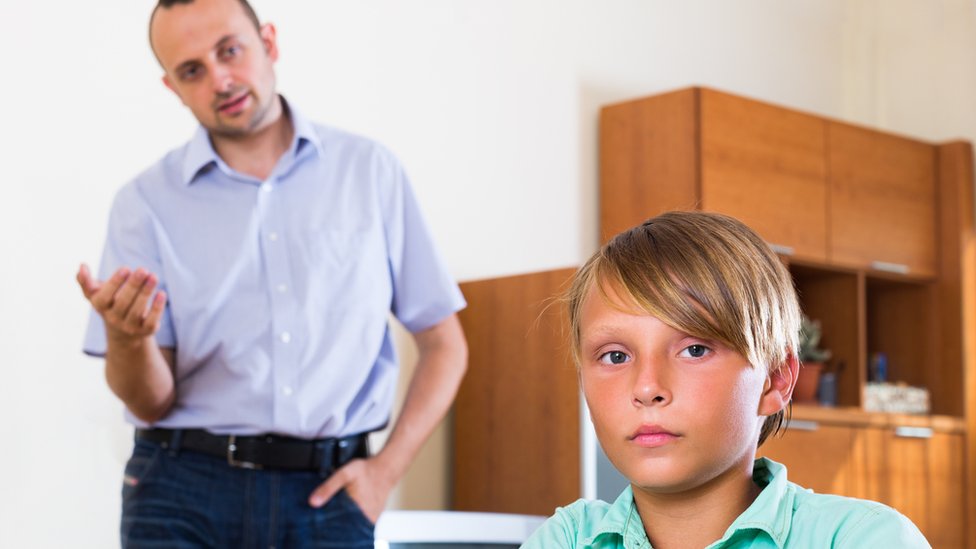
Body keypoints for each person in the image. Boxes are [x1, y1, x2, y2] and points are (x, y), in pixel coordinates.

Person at [76, 0, 468, 547]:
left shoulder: (369, 172)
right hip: (180, 493)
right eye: (192, 70)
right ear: (172, 87)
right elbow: (149, 402)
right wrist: (126, 339)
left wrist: (385, 473)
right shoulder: (144, 203)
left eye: (229, 50)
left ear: (269, 42)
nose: (220, 79)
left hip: (329, 498)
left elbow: (444, 344)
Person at [522, 211, 929, 548]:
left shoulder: (864, 539)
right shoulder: (567, 539)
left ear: (775, 380)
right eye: (615, 356)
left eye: (695, 350)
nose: (647, 388)